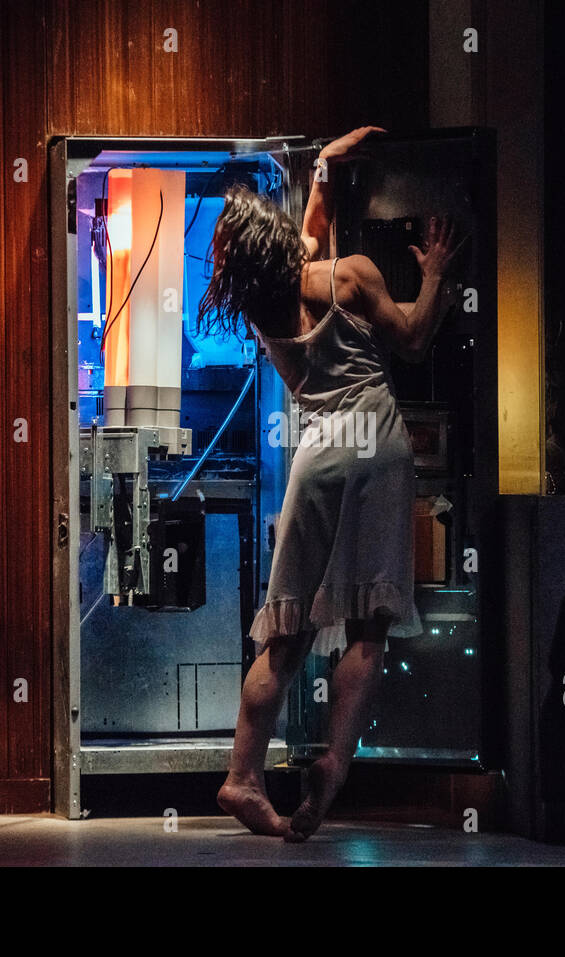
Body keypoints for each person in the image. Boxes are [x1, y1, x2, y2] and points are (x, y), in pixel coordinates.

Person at [196, 126, 464, 841]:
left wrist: (322, 168)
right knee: (369, 628)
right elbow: (410, 336)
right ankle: (335, 764)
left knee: (284, 635)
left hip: (318, 454)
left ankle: (242, 777)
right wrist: (435, 270)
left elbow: (306, 239)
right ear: (279, 240)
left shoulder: (263, 306)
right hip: (377, 446)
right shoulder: (349, 275)